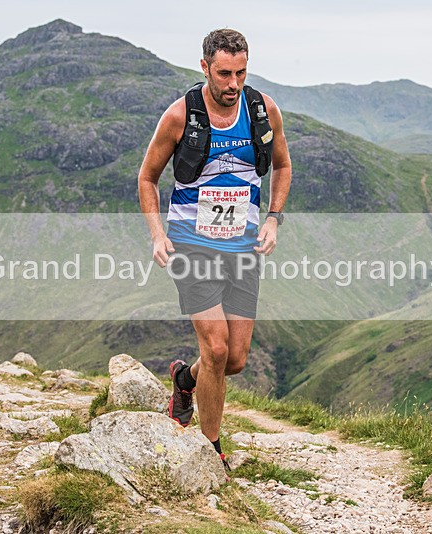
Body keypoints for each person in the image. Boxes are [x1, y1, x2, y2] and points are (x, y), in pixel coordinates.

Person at [138, 29, 292, 466]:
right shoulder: (178, 117)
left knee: (236, 359)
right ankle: (211, 450)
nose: (234, 84)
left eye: (241, 72)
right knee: (217, 348)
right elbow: (147, 178)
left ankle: (185, 381)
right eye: (224, 73)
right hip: (191, 244)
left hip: (243, 247)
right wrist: (157, 234)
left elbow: (282, 166)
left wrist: (274, 219)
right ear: (204, 67)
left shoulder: (263, 111)